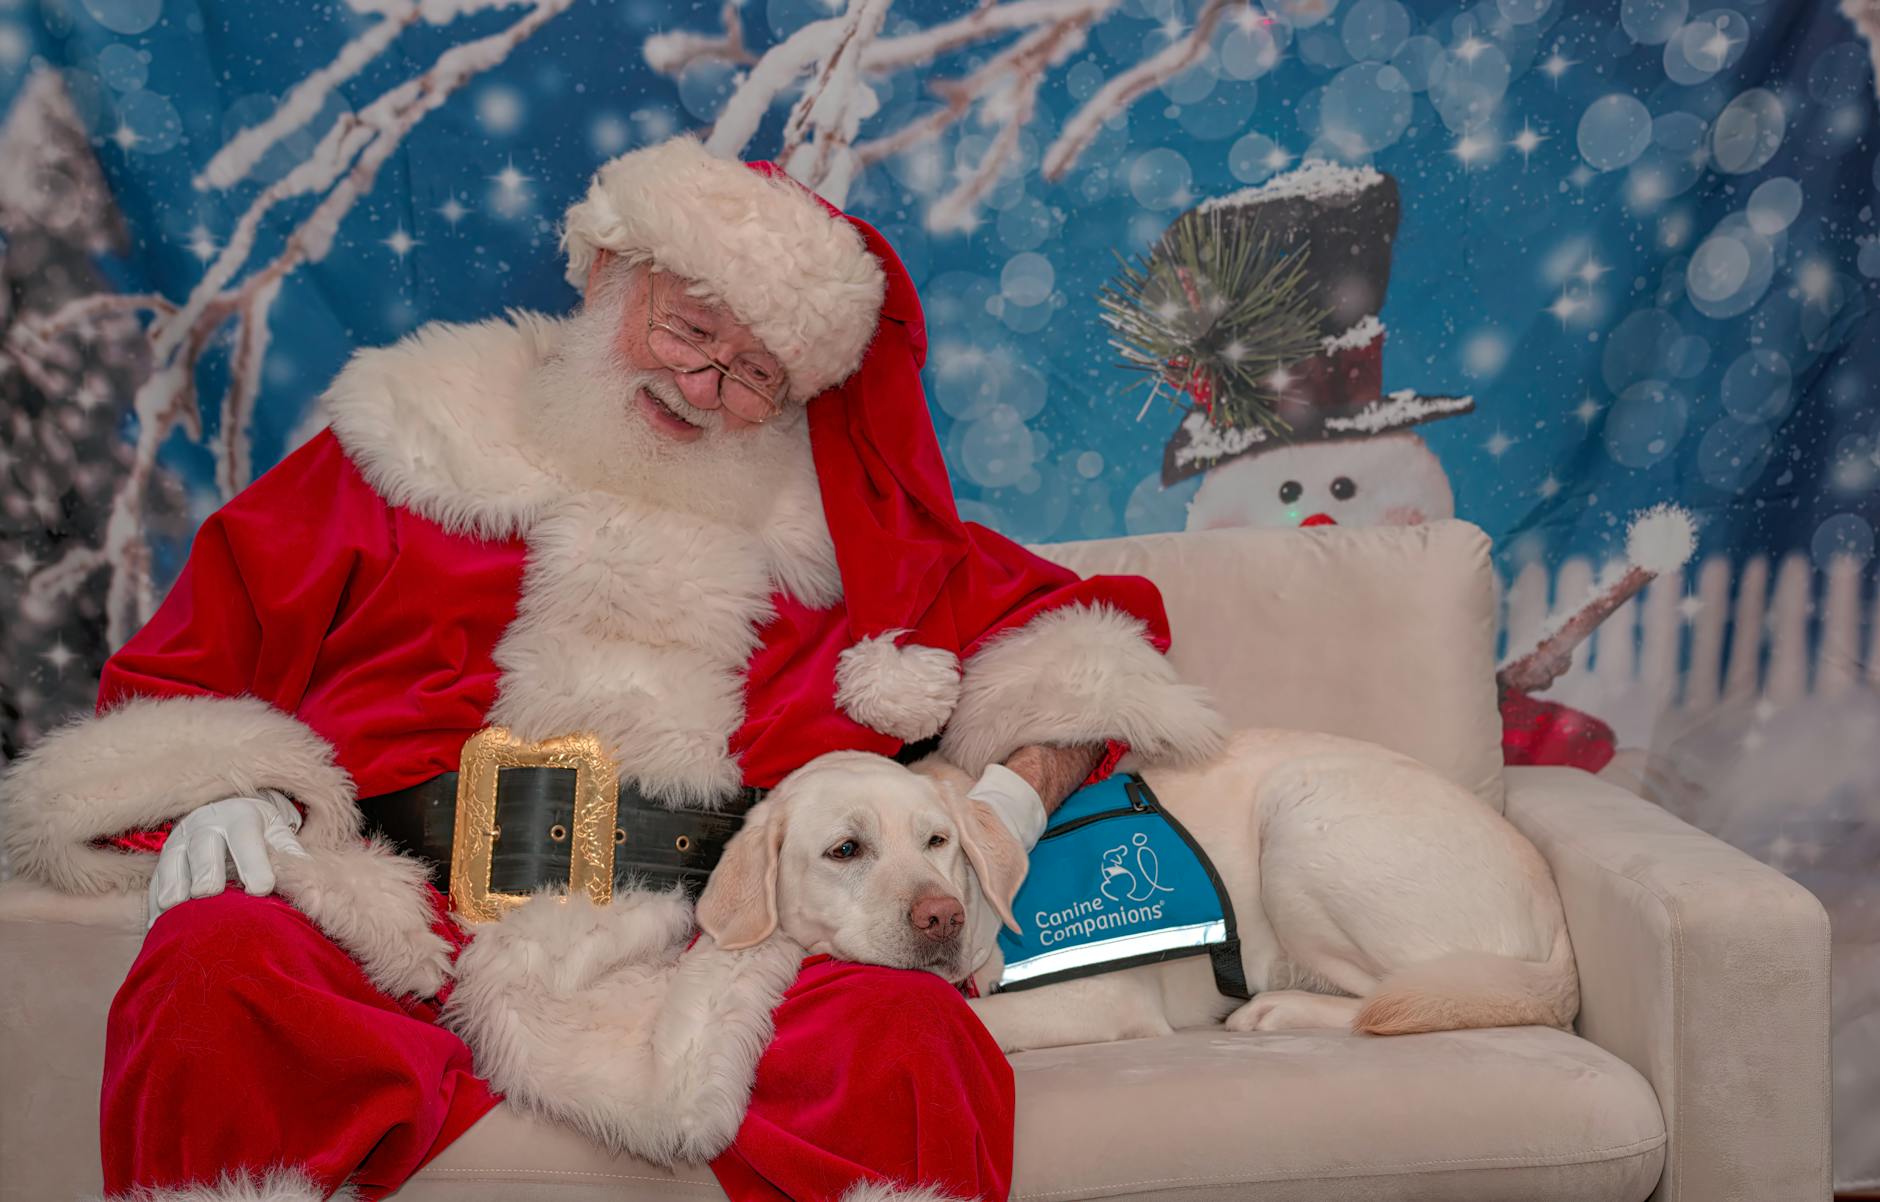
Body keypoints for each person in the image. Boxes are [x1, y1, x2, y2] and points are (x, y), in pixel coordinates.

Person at [0, 135, 1224, 1202]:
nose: (700, 388)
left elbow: (1084, 640)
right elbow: (189, 669)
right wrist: (231, 783)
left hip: (719, 946)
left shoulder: (844, 533)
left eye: (752, 375)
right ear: (609, 278)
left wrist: (1011, 797)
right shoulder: (412, 445)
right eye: (688, 330)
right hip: (400, 919)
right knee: (220, 971)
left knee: (904, 1034)